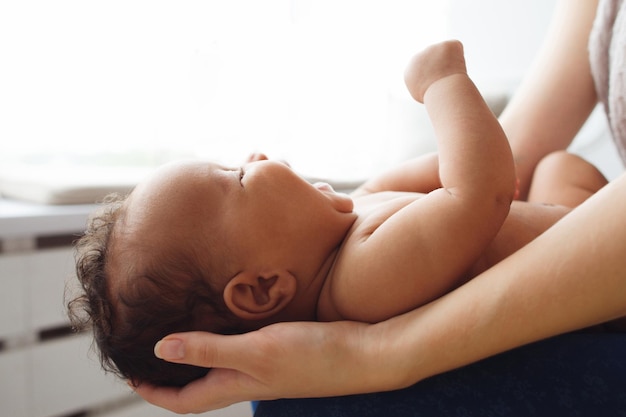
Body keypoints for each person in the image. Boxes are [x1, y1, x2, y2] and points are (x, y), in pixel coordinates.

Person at [126, 0, 626, 414]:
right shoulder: (364, 281)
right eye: (236, 178)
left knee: (557, 165)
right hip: (598, 301)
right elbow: (482, 192)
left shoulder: (353, 224)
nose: (253, 156)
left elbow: (450, 172)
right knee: (560, 167)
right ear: (262, 289)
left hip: (579, 241)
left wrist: (365, 196)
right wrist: (443, 84)